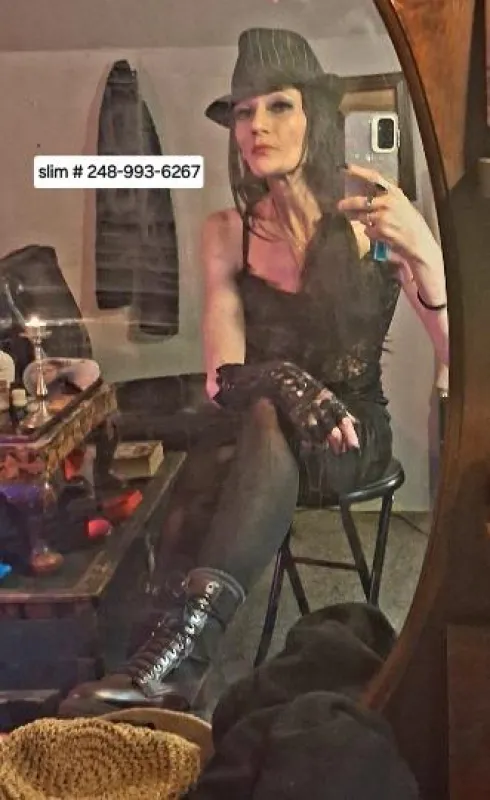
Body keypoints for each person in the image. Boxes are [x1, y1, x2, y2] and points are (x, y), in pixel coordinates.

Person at [60, 28, 449, 716]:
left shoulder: (371, 218)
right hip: (263, 430)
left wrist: (424, 252)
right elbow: (224, 380)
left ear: (314, 116)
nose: (256, 125)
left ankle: (168, 662)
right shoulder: (227, 231)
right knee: (241, 426)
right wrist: (293, 384)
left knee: (230, 447)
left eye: (278, 105)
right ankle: (160, 663)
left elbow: (459, 354)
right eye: (244, 111)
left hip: (353, 438)